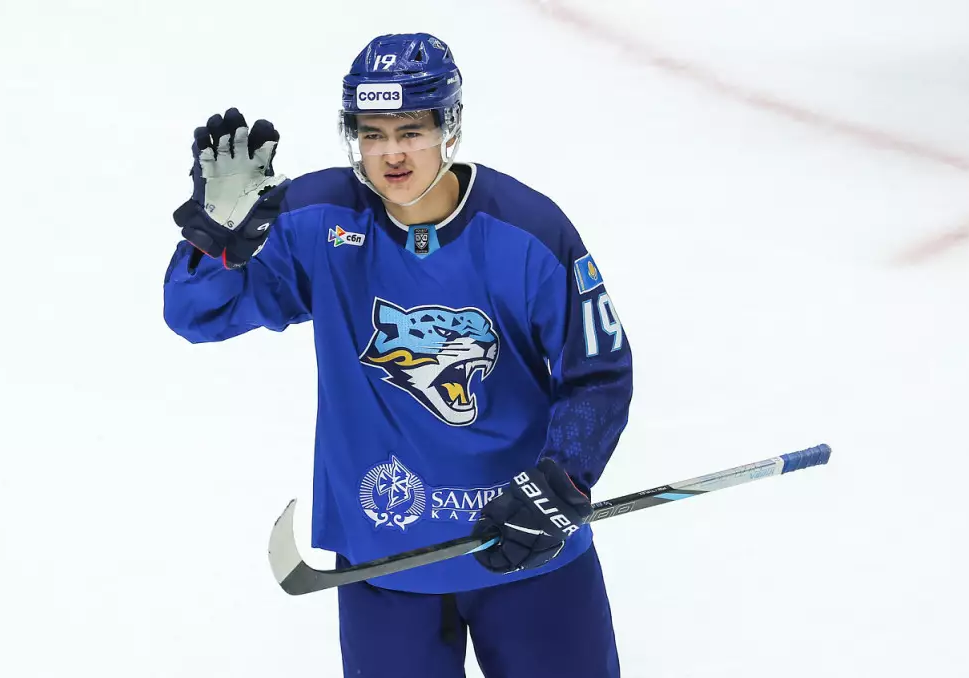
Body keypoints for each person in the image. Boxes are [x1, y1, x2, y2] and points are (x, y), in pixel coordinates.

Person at [163, 32, 633, 678]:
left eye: (411, 131)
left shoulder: (528, 232)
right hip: (386, 560)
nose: (391, 154)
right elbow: (195, 314)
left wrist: (564, 479)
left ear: (449, 127)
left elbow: (598, 373)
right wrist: (215, 244)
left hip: (528, 549)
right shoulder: (318, 219)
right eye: (372, 133)